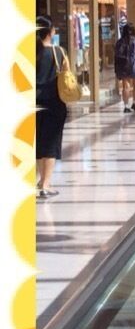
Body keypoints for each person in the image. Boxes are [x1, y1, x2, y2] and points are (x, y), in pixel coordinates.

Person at [34, 16, 72, 200]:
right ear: (51, 32)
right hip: (54, 102)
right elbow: (67, 74)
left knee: (39, 142)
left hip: (34, 102)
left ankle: (41, 181)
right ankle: (45, 185)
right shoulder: (59, 52)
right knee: (51, 144)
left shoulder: (32, 52)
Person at [112, 18, 135, 114]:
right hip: (134, 64)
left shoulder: (120, 41)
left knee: (126, 86)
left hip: (123, 65)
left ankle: (126, 106)